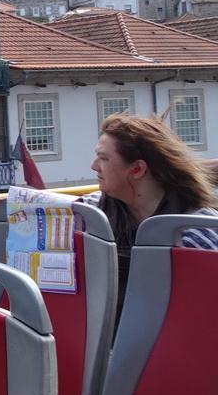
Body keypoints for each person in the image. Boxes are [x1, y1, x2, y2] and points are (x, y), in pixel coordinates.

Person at [81, 113, 218, 314]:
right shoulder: (88, 214)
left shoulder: (198, 235)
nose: (94, 166)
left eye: (103, 158)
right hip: (103, 339)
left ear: (137, 169)